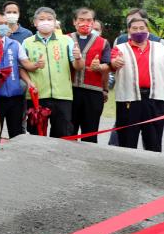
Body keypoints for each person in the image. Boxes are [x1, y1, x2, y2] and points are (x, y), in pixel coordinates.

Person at [22, 7, 84, 138]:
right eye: (42, 19)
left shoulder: (66, 40)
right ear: (35, 22)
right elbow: (21, 67)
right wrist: (29, 82)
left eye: (50, 19)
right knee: (36, 134)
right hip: (36, 96)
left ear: (55, 22)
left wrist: (78, 57)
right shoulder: (27, 42)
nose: (46, 22)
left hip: (62, 96)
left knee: (62, 135)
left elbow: (78, 67)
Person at [0, 12, 38, 146]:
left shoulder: (15, 45)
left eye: (5, 24)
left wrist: (36, 65)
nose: (3, 26)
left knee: (16, 135)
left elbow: (25, 64)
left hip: (15, 97)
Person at [111, 17, 164, 151]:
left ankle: (152, 171)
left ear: (148, 30)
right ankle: (126, 171)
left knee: (154, 143)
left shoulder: (160, 48)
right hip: (129, 100)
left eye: (142, 28)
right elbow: (112, 63)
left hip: (155, 100)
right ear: (128, 30)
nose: (138, 31)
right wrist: (114, 63)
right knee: (127, 142)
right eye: (134, 28)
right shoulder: (119, 48)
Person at [69, 8, 111, 143]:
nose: (85, 23)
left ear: (93, 23)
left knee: (90, 133)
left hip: (93, 93)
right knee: (69, 130)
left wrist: (99, 67)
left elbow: (108, 65)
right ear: (74, 22)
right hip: (70, 91)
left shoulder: (103, 42)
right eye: (81, 20)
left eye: (89, 20)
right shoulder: (66, 39)